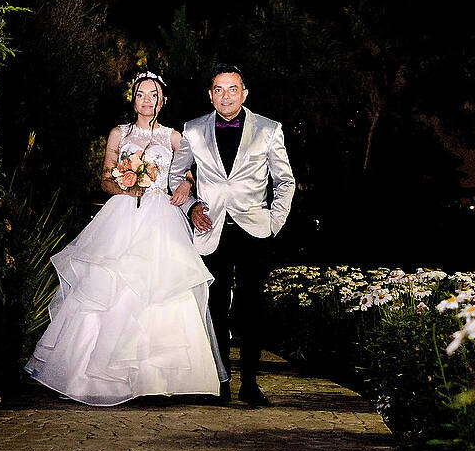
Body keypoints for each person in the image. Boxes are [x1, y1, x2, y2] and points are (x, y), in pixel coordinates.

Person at [24, 72, 227, 405]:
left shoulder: (174, 137)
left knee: (161, 287)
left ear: (163, 101)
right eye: (141, 95)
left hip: (161, 217)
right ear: (133, 100)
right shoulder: (119, 133)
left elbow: (195, 171)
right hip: (122, 212)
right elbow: (105, 179)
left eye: (153, 95)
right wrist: (125, 185)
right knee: (111, 285)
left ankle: (161, 380)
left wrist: (186, 185)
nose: (147, 100)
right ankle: (99, 377)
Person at [169, 64, 294, 406]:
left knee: (252, 308)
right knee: (216, 307)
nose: (226, 96)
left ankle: (250, 383)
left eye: (233, 89)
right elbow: (175, 176)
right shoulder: (193, 130)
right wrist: (192, 206)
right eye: (219, 90)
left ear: (244, 93)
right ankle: (220, 381)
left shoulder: (269, 129)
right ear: (210, 95)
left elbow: (285, 181)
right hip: (211, 229)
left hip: (254, 229)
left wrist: (274, 222)